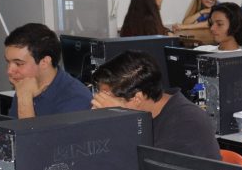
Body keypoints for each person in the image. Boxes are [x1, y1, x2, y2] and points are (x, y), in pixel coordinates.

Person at [90, 50, 220, 159]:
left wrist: (117, 122)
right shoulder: (144, 116)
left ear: (137, 99)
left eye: (107, 99)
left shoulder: (187, 122)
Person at [3, 23, 92, 119]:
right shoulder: (25, 84)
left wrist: (25, 99)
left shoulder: (76, 98)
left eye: (18, 63)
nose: (9, 71)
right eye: (8, 62)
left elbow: (30, 134)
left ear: (44, 62)